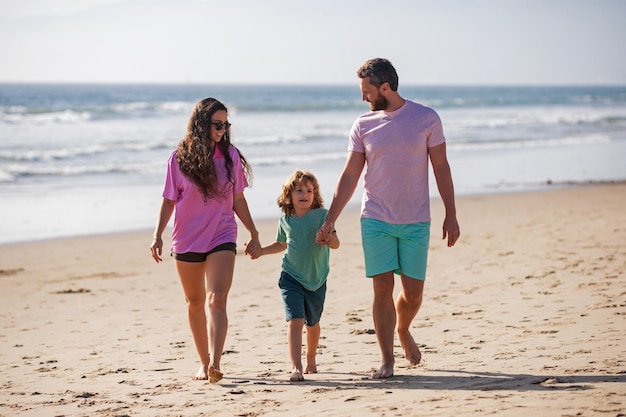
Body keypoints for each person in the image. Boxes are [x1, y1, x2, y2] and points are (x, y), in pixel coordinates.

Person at [317, 58, 460, 379]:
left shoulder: (426, 118)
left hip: (416, 220)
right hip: (376, 219)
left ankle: (403, 328)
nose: (363, 98)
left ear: (385, 88)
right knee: (382, 290)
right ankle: (387, 360)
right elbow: (350, 174)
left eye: (367, 91)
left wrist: (451, 214)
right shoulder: (363, 125)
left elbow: (441, 168)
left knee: (413, 293)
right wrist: (330, 220)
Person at [150, 97, 261, 383]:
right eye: (217, 124)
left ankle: (215, 362)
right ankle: (202, 361)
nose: (223, 129)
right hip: (186, 239)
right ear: (202, 123)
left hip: (222, 234)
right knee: (195, 301)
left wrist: (253, 231)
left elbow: (238, 199)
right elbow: (168, 200)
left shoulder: (230, 157)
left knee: (217, 298)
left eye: (226, 124)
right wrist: (157, 234)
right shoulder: (178, 158)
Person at [250, 170, 340, 382]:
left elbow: (337, 243)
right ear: (289, 195)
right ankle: (296, 367)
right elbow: (281, 244)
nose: (304, 194)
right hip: (290, 276)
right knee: (295, 320)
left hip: (316, 279)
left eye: (309, 190)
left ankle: (310, 357)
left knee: (313, 324)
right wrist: (261, 251)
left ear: (315, 194)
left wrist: (329, 239)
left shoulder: (322, 216)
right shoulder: (286, 219)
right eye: (299, 190)